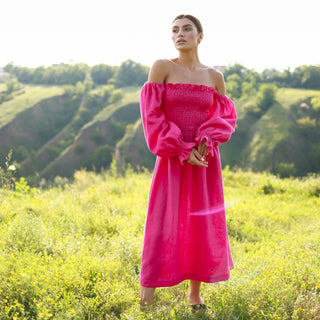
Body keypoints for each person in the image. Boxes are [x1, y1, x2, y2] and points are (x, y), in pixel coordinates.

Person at [139, 14, 237, 311]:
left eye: (186, 29)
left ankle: (194, 297)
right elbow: (152, 115)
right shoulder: (162, 67)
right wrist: (181, 148)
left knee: (200, 222)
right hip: (173, 156)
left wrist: (205, 143)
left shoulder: (214, 77)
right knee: (161, 223)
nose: (179, 34)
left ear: (200, 35)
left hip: (205, 160)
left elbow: (224, 119)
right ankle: (146, 300)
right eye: (174, 30)